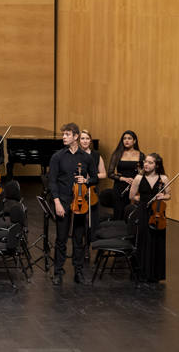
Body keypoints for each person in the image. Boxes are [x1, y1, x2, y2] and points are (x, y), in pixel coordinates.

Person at [48, 122, 96, 286]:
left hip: (80, 202)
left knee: (78, 238)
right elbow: (52, 181)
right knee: (61, 238)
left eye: (67, 134)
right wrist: (57, 203)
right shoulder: (57, 157)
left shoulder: (86, 158)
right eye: (63, 134)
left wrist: (87, 180)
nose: (64, 137)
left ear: (76, 136)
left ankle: (79, 271)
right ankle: (58, 272)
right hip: (62, 201)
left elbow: (95, 177)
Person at [130, 153, 169, 283]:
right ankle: (142, 272)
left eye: (150, 162)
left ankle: (155, 274)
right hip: (143, 211)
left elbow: (168, 195)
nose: (146, 164)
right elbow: (132, 196)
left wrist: (162, 197)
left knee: (157, 241)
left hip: (157, 212)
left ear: (157, 165)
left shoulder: (163, 178)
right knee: (143, 240)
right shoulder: (138, 178)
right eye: (145, 162)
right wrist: (142, 200)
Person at [108, 130, 144, 219]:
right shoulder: (117, 154)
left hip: (134, 188)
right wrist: (123, 178)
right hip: (119, 188)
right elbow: (110, 173)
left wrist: (137, 179)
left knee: (131, 214)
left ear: (134, 141)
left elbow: (144, 173)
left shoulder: (140, 155)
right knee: (119, 213)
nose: (126, 140)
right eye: (124, 138)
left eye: (129, 138)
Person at [79, 129, 107, 239]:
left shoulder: (96, 155)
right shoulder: (76, 155)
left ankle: (92, 236)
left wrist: (90, 178)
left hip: (92, 188)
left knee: (93, 213)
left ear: (90, 141)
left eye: (87, 138)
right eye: (82, 138)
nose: (85, 141)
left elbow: (104, 174)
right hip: (78, 188)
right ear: (78, 140)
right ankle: (79, 235)